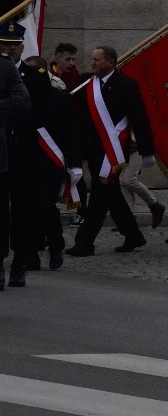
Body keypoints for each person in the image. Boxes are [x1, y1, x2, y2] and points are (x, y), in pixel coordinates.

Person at [65, 45, 156, 257]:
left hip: (114, 151)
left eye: (97, 59)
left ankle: (84, 242)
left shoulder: (126, 86)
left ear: (111, 63)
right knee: (112, 195)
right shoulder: (87, 82)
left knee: (100, 192)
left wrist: (147, 150)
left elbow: (139, 119)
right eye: (92, 59)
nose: (93, 62)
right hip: (92, 147)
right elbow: (66, 97)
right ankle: (133, 235)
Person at [7, 57, 80, 285]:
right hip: (22, 161)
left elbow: (72, 133)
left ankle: (55, 245)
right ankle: (28, 255)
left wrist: (75, 163)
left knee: (44, 207)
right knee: (22, 208)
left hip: (50, 162)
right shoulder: (21, 101)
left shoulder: (59, 99)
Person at [0, 23, 31, 290]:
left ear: (22, 46)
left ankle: (19, 262)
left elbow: (30, 108)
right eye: (4, 43)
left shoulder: (36, 75)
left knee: (21, 210)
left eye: (14, 44)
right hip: (2, 149)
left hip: (21, 151)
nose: (10, 48)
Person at [52, 43, 87, 225]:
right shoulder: (48, 74)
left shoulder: (75, 78)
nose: (71, 63)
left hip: (71, 132)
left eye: (73, 59)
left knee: (75, 171)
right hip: (51, 133)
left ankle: (82, 210)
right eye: (67, 59)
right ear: (57, 57)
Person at [119, 137, 166, 228]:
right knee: (123, 181)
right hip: (123, 146)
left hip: (136, 145)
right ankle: (128, 219)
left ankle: (154, 204)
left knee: (129, 180)